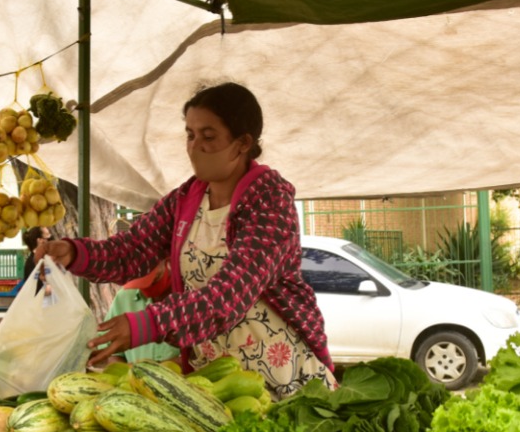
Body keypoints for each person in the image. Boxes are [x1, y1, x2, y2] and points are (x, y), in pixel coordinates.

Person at [38, 82, 335, 399]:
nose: (194, 147)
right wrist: (74, 252)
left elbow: (229, 295)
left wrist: (147, 324)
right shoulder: (185, 200)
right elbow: (133, 249)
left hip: (282, 377)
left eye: (208, 137)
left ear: (242, 143)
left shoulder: (269, 202)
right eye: (190, 135)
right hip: (217, 382)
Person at [102, 260, 179, 364]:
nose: (145, 288)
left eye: (153, 280)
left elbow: (201, 356)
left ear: (167, 262)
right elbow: (109, 352)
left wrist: (166, 370)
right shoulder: (124, 297)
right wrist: (127, 373)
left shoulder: (191, 298)